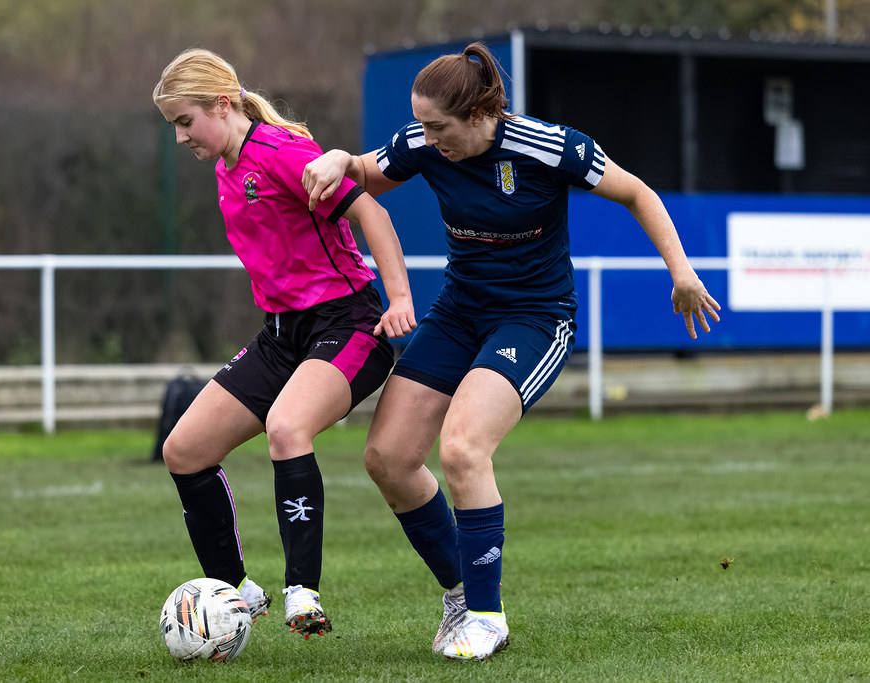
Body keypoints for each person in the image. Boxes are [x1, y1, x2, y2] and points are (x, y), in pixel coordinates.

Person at [303, 42, 721, 660]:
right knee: (388, 458)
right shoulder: (423, 143)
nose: (426, 139)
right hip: (459, 312)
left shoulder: (549, 147)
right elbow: (365, 172)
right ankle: (459, 594)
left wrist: (681, 273)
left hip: (534, 319)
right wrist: (339, 157)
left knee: (463, 448)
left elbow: (638, 193)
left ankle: (486, 617)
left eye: (438, 127)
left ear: (479, 115)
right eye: (421, 126)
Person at [152, 48, 417, 640]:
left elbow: (372, 213)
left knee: (286, 428)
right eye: (174, 125)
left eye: (185, 121)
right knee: (183, 450)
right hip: (281, 335)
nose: (180, 137)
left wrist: (399, 298)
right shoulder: (226, 167)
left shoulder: (281, 152)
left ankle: (303, 591)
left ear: (222, 104)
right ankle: (236, 593)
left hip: (347, 323)